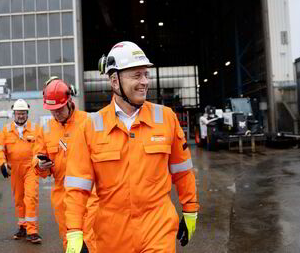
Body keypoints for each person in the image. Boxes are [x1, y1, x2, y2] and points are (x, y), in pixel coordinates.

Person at [63, 41, 199, 253]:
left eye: (146, 75)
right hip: (112, 235)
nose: (144, 82)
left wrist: (190, 209)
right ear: (115, 80)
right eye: (136, 75)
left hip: (157, 228)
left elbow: (182, 171)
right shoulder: (90, 127)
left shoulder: (166, 118)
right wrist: (74, 231)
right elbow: (77, 187)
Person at [33, 77, 98, 252]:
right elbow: (37, 159)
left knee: (88, 235)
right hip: (61, 194)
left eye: (59, 109)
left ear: (69, 101)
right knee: (69, 238)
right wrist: (40, 165)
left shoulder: (89, 121)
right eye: (52, 110)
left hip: (89, 192)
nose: (56, 114)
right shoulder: (45, 129)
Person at [0, 99, 42, 243]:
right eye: (18, 113)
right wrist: (2, 164)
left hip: (30, 168)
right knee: (19, 200)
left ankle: (32, 231)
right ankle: (22, 227)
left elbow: (40, 147)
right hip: (14, 169)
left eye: (23, 113)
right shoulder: (6, 130)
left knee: (30, 197)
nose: (20, 116)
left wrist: (39, 162)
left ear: (27, 113)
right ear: (13, 114)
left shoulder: (36, 128)